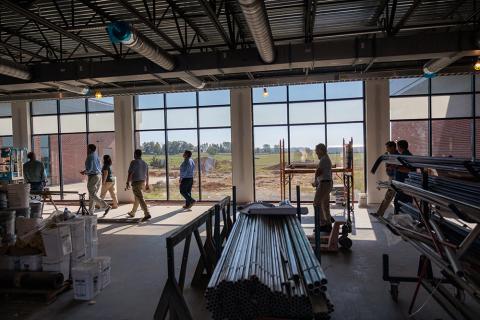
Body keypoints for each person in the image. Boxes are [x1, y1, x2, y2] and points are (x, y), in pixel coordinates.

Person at [80, 144, 111, 215]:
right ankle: (91, 211)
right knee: (93, 195)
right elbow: (96, 166)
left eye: (87, 148)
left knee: (92, 194)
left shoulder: (90, 156)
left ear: (90, 149)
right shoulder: (96, 155)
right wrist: (86, 171)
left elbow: (90, 168)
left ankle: (106, 206)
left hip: (93, 176)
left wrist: (84, 172)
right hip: (98, 175)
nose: (87, 150)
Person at [312, 143, 333, 233]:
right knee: (325, 204)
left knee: (316, 203)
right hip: (327, 183)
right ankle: (328, 223)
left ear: (321, 150)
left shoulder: (324, 159)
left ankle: (323, 224)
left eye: (317, 151)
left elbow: (318, 171)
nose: (316, 153)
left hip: (324, 183)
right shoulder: (325, 159)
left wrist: (315, 182)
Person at [126, 149, 151, 221]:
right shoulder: (145, 163)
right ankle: (132, 212)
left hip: (136, 182)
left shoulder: (133, 162)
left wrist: (127, 182)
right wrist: (147, 184)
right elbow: (147, 175)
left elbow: (130, 173)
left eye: (134, 154)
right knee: (137, 198)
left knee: (140, 198)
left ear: (135, 154)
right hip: (142, 182)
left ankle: (147, 213)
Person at [393, 140, 413, 214]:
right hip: (404, 183)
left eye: (397, 146)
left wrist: (396, 168)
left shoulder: (405, 156)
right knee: (405, 201)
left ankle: (401, 219)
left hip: (404, 183)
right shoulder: (406, 155)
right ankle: (405, 217)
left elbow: (409, 170)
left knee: (399, 202)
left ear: (400, 147)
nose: (397, 148)